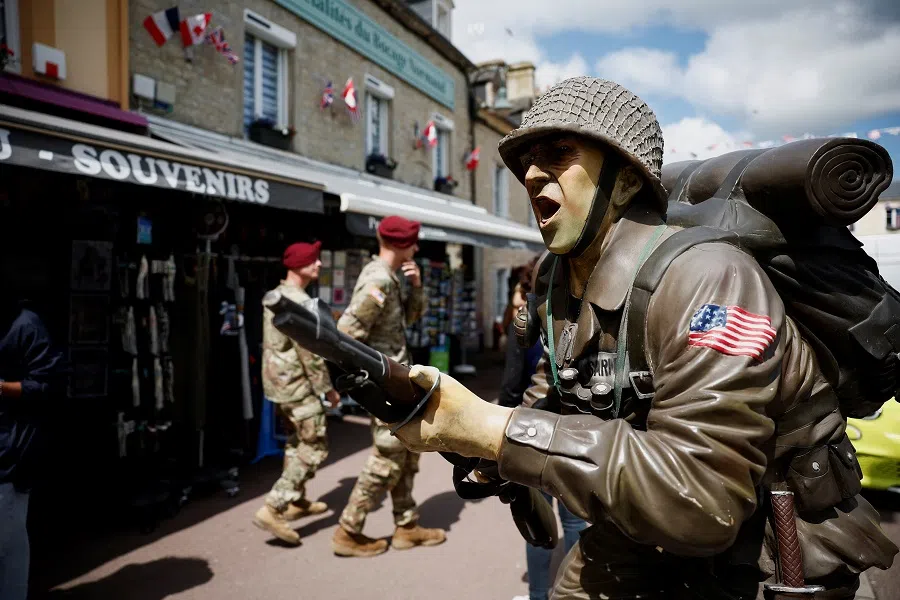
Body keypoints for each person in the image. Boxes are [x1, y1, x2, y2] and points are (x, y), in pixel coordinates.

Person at [391, 77, 898, 598]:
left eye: (559, 154)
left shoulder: (710, 280)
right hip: (643, 515)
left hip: (774, 544)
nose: (533, 174)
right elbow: (564, 395)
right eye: (525, 163)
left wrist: (499, 431)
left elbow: (704, 497)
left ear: (627, 182)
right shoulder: (557, 281)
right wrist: (484, 444)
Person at [331, 215, 447, 557]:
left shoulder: (390, 277)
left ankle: (406, 526)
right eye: (413, 241)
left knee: (406, 455)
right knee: (387, 458)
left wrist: (418, 287)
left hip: (396, 383)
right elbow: (348, 334)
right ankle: (348, 530)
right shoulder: (378, 280)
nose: (416, 246)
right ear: (401, 244)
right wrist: (371, 377)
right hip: (385, 386)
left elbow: (407, 320)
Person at [500, 259, 588, 600]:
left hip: (533, 433)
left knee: (538, 527)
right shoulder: (582, 318)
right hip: (573, 435)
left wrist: (504, 438)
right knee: (573, 524)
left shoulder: (531, 323)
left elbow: (511, 385)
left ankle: (539, 595)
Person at [253, 241, 341, 546]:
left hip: (278, 384)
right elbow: (310, 353)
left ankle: (296, 499)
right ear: (298, 265)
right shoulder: (300, 303)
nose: (318, 265)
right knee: (314, 445)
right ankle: (274, 506)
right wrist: (327, 390)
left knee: (296, 441)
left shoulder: (275, 296)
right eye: (313, 261)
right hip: (299, 386)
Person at [0, 298, 63, 600]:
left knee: (7, 543)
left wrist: (0, 387)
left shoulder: (25, 325)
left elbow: (48, 384)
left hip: (10, 455)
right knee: (12, 547)